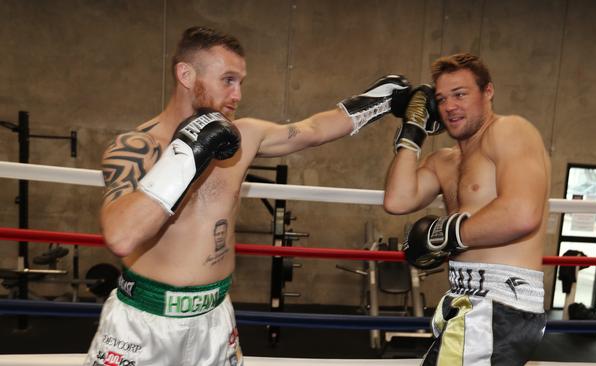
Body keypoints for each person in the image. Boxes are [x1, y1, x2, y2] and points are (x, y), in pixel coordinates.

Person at [84, 26, 411, 366]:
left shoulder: (245, 136)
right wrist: (186, 156)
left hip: (214, 317)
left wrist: (383, 99)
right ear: (185, 74)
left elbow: (313, 130)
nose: (237, 94)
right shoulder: (137, 147)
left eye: (241, 82)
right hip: (144, 322)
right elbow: (121, 237)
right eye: (227, 80)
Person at [384, 53, 550, 365]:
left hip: (499, 301)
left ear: (488, 92)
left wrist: (443, 236)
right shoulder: (443, 161)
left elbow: (522, 213)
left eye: (460, 94)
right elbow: (397, 200)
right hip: (466, 301)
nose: (450, 107)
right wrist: (413, 130)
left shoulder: (509, 131)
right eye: (441, 99)